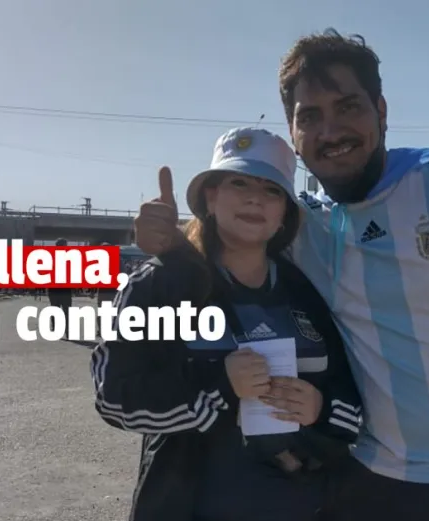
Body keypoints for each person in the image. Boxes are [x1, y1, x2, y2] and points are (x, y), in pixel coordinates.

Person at [135, 29, 429, 520]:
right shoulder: (304, 226)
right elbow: (227, 248)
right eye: (311, 117)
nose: (331, 131)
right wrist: (173, 245)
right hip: (367, 475)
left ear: (381, 112)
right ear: (293, 132)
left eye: (348, 107)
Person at [91, 128, 362, 521]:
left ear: (284, 212)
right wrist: (220, 386)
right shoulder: (159, 284)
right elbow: (114, 398)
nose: (255, 197)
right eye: (239, 182)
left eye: (271, 190)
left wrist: (319, 408)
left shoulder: (307, 289)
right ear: (210, 197)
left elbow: (353, 399)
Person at [47, 238, 73, 318]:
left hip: (54, 289)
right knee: (66, 311)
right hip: (64, 289)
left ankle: (55, 328)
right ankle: (67, 329)